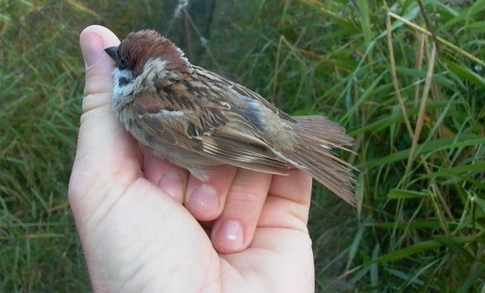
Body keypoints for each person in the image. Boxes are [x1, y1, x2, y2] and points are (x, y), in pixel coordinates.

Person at [69, 25, 315, 291]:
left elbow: (216, 140)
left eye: (124, 62)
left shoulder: (144, 107)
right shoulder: (160, 95)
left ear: (141, 73)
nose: (114, 57)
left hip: (245, 134)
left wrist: (270, 150)